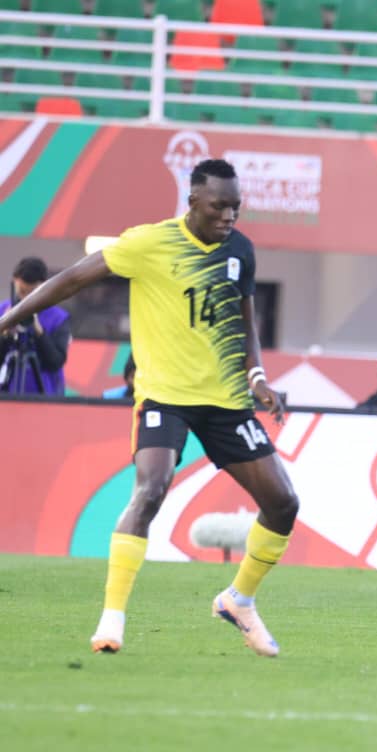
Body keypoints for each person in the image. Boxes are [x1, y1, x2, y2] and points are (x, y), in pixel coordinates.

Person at [0, 158, 300, 657]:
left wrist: (258, 377)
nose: (229, 215)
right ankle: (111, 619)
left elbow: (245, 323)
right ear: (193, 202)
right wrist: (9, 319)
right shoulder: (148, 243)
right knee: (151, 488)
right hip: (165, 396)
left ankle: (239, 599)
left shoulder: (240, 251)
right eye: (219, 206)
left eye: (236, 206)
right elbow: (72, 279)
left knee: (283, 503)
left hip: (225, 400)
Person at [0, 256, 71, 396]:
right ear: (14, 281)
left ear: (44, 286)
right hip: (6, 395)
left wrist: (39, 331)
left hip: (46, 395)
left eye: (32, 293)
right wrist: (6, 333)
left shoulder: (58, 318)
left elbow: (55, 362)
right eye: (22, 291)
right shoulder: (2, 311)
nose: (26, 299)